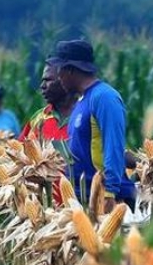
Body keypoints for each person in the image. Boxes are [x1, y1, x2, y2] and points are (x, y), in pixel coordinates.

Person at [48, 39, 137, 209]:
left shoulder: (103, 97)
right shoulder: (82, 101)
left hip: (108, 199)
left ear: (71, 70)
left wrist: (109, 192)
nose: (58, 77)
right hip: (85, 199)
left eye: (60, 70)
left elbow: (113, 145)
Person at [21, 64, 77, 144]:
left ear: (65, 81)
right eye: (42, 81)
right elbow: (18, 151)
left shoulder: (85, 114)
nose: (42, 86)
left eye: (48, 80)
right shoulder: (39, 118)